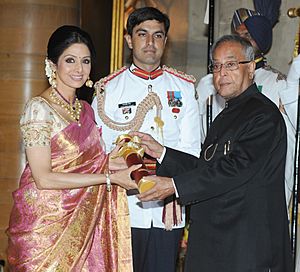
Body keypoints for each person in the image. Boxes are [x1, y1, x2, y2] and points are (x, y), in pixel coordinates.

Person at [131, 34, 293, 272]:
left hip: (245, 247)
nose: (221, 73)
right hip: (218, 242)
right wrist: (164, 153)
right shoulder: (226, 115)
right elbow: (208, 168)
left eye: (230, 64)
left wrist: (175, 185)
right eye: (216, 66)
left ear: (250, 68)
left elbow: (234, 169)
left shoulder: (263, 116)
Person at [6, 25, 139, 272]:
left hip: (82, 223)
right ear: (52, 64)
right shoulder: (39, 108)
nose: (79, 69)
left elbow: (93, 163)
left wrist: (131, 157)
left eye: (85, 61)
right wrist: (110, 179)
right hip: (44, 229)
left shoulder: (86, 110)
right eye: (70, 60)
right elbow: (43, 178)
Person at [91, 7, 200, 272]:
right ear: (129, 40)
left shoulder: (184, 89)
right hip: (124, 207)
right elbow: (98, 154)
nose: (150, 43)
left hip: (167, 209)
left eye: (158, 35)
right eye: (142, 34)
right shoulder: (109, 89)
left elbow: (192, 155)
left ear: (165, 41)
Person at [197, 8, 298, 208]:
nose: (242, 40)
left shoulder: (277, 83)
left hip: (260, 175)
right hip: (218, 169)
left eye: (248, 35)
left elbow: (288, 137)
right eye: (239, 35)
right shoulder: (211, 82)